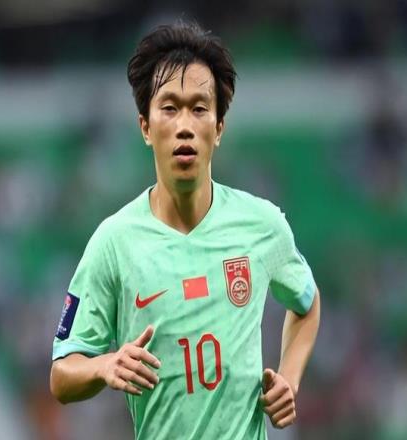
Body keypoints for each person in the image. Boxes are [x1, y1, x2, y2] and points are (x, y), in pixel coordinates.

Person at [50, 21, 320, 440]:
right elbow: (61, 375)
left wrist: (290, 378)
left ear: (219, 128)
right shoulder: (114, 242)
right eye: (170, 108)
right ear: (145, 127)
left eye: (199, 108)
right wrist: (104, 365)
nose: (184, 126)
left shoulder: (262, 225)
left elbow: (307, 302)